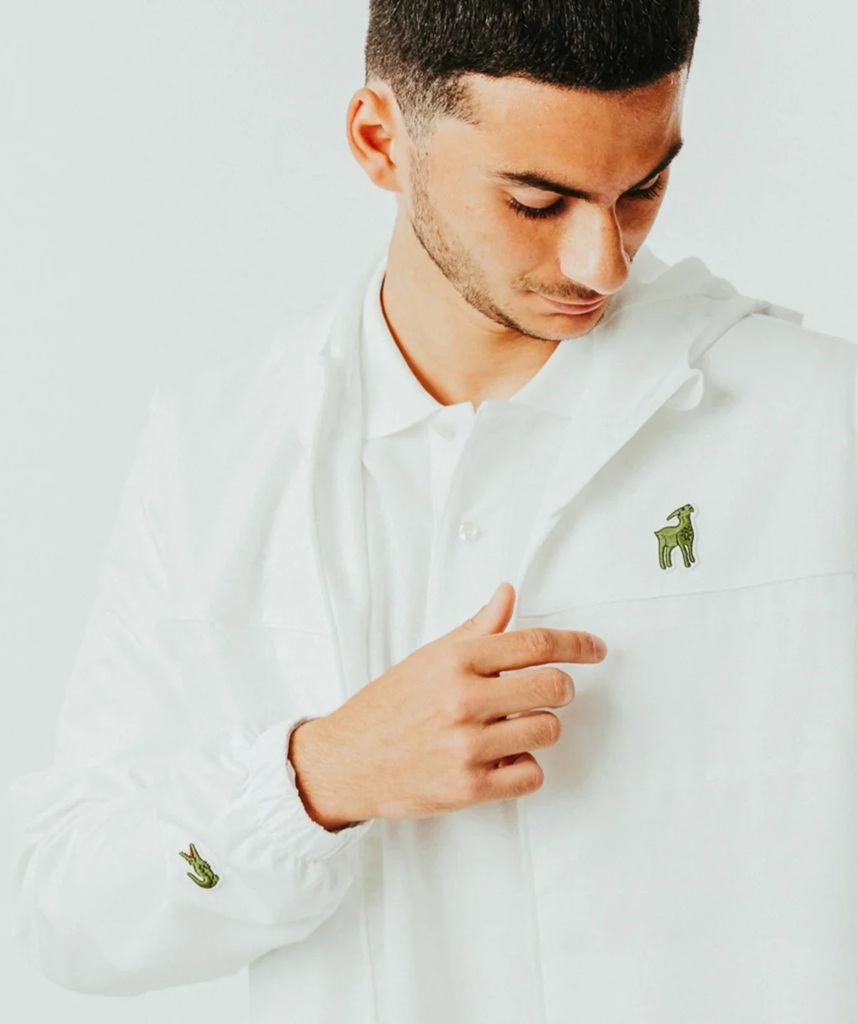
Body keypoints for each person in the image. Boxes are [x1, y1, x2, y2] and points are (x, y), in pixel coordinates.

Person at [9, 1, 858, 1021]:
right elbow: (68, 907)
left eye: (643, 188)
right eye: (537, 202)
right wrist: (318, 778)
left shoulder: (821, 427)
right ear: (381, 141)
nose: (604, 261)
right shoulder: (218, 459)